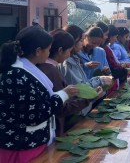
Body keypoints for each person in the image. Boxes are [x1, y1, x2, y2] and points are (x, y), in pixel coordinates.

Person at [0, 26, 78, 163]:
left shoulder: (22, 70)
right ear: (38, 51)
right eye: (48, 49)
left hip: (27, 143)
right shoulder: (18, 75)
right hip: (21, 147)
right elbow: (35, 114)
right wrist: (63, 95)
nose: (49, 53)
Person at [37, 29, 103, 135]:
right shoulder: (52, 71)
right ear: (60, 51)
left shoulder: (43, 67)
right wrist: (90, 97)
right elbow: (62, 107)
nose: (69, 54)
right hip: (54, 128)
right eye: (68, 50)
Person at [59, 25, 112, 116]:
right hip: (76, 109)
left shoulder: (74, 57)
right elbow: (79, 88)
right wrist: (99, 80)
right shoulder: (67, 62)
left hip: (83, 105)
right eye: (80, 41)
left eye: (98, 44)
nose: (81, 44)